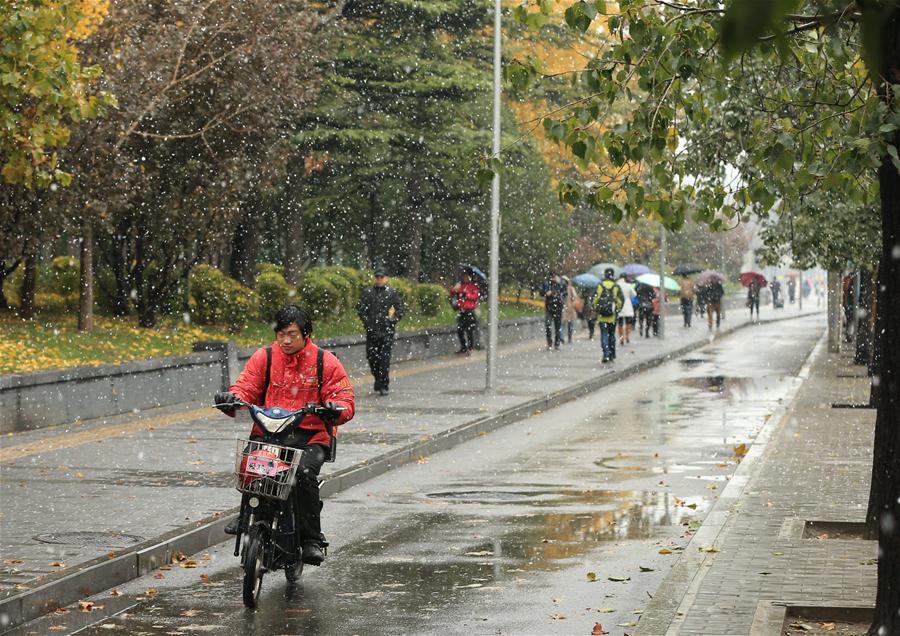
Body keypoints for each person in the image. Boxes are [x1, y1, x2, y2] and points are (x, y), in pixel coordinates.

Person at [214, 304, 356, 567]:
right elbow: (246, 386)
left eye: (292, 334)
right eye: (281, 334)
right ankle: (250, 514)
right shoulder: (264, 357)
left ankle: (312, 539)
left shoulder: (325, 362)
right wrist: (232, 399)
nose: (286, 340)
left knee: (302, 475)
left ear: (306, 334)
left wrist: (336, 408)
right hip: (269, 433)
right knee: (253, 467)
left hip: (310, 437)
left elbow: (344, 397)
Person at [357, 268, 405, 395]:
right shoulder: (367, 292)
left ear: (386, 278)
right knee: (372, 359)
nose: (379, 279)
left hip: (386, 333)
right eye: (377, 277)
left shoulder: (392, 293)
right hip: (372, 332)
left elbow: (400, 310)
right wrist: (368, 323)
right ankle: (378, 379)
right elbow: (361, 310)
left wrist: (391, 321)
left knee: (384, 360)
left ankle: (383, 384)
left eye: (381, 277)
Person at [595, 267, 624, 363]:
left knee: (604, 335)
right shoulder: (616, 286)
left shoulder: (600, 285)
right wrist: (617, 310)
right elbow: (620, 300)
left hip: (602, 316)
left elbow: (595, 299)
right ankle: (612, 354)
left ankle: (606, 353)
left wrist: (597, 309)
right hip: (612, 317)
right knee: (612, 335)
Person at [450, 270, 481, 355]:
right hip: (462, 311)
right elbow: (453, 293)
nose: (465, 278)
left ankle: (470, 348)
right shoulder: (461, 285)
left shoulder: (473, 286)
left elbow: (475, 296)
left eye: (467, 276)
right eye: (464, 276)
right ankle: (463, 347)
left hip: (470, 311)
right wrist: (454, 289)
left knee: (469, 331)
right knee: (460, 330)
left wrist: (466, 294)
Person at [541, 271, 566, 350]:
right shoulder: (546, 284)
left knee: (557, 326)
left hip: (558, 307)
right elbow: (541, 292)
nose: (553, 278)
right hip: (549, 307)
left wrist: (559, 293)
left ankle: (557, 343)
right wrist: (546, 293)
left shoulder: (561, 284)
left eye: (555, 276)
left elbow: (565, 293)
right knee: (548, 325)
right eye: (552, 277)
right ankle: (549, 342)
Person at [616, 274, 637, 345]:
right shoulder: (628, 285)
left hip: (619, 305)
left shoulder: (616, 285)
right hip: (627, 305)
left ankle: (621, 338)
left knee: (620, 323)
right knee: (628, 322)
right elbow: (634, 294)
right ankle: (627, 336)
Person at [560, 276, 578, 344]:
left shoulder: (571, 289)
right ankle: (561, 337)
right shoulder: (561, 288)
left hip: (570, 309)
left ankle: (569, 337)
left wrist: (572, 304)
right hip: (564, 308)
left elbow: (575, 297)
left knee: (570, 324)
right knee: (563, 323)